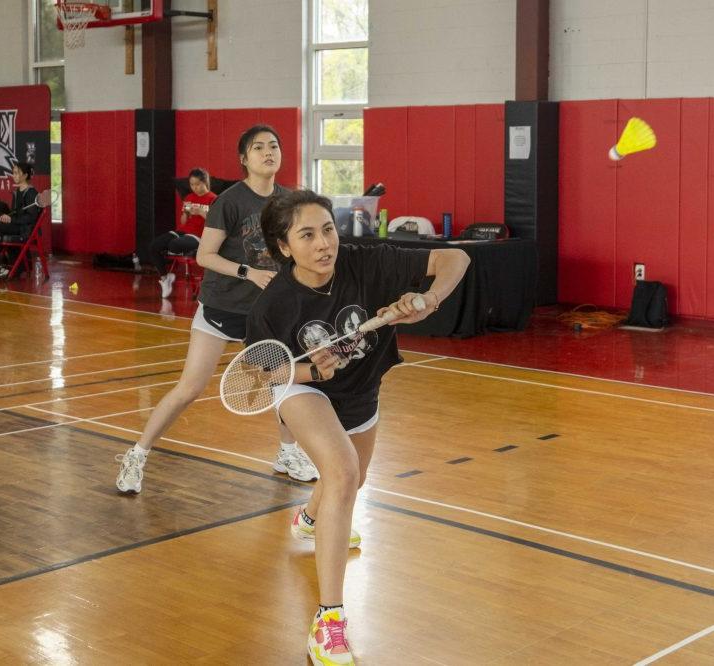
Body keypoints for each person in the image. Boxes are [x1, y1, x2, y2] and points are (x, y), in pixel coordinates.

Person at [247, 189, 469, 665]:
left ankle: (310, 519)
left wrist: (428, 298)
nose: (324, 243)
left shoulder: (366, 262)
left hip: (360, 391)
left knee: (352, 478)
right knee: (344, 473)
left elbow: (456, 258)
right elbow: (263, 371)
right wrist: (312, 372)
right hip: (303, 389)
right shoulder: (276, 302)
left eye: (328, 229)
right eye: (307, 235)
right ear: (284, 247)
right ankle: (329, 620)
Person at [115, 125, 319, 493]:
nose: (268, 152)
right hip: (222, 307)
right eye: (259, 147)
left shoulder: (290, 203)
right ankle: (137, 454)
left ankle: (288, 452)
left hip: (266, 314)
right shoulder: (230, 201)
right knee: (189, 388)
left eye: (274, 145)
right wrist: (248, 272)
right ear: (244, 159)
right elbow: (204, 255)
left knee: (283, 384)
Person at [152, 167, 218, 299]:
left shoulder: (214, 199)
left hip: (199, 235)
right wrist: (186, 213)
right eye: (192, 184)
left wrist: (200, 212)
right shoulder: (189, 197)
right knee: (154, 245)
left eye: (198, 184)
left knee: (174, 245)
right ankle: (165, 279)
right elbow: (183, 222)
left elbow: (216, 222)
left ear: (205, 182)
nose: (195, 188)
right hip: (183, 231)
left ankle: (176, 248)